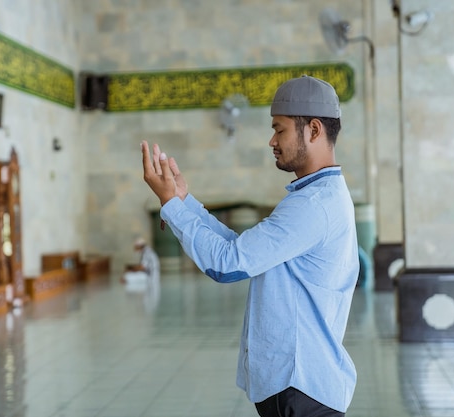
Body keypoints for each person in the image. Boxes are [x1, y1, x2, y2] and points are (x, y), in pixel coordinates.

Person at [140, 75, 359, 416]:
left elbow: (228, 265)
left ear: (313, 130)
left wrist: (170, 205)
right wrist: (184, 202)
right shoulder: (316, 196)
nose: (272, 140)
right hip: (300, 388)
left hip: (302, 389)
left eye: (279, 129)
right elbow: (245, 251)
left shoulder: (313, 205)